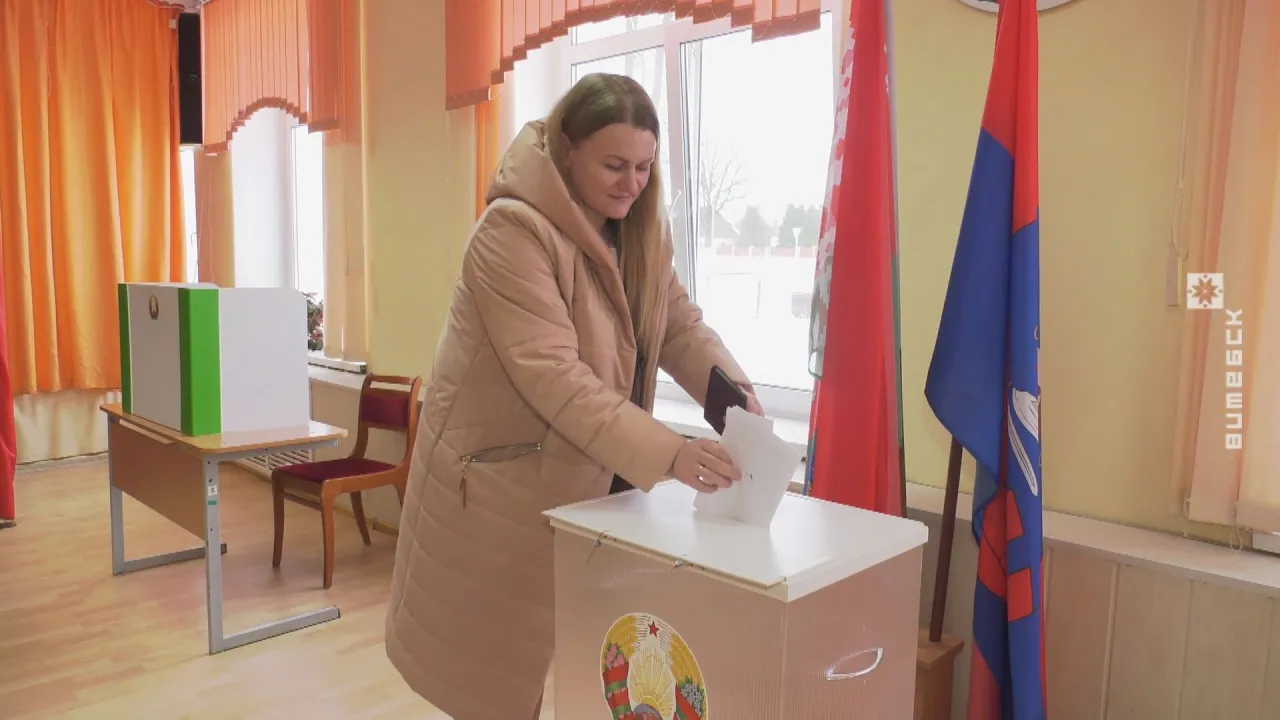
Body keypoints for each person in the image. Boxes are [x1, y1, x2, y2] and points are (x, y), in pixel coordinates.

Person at [384, 73, 761, 720]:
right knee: (498, 684)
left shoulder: (637, 231)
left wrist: (736, 401)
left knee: (593, 672)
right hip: (499, 490)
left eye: (644, 167)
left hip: (591, 482)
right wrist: (672, 454)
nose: (631, 183)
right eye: (614, 165)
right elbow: (554, 376)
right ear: (565, 148)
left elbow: (676, 326)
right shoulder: (511, 232)